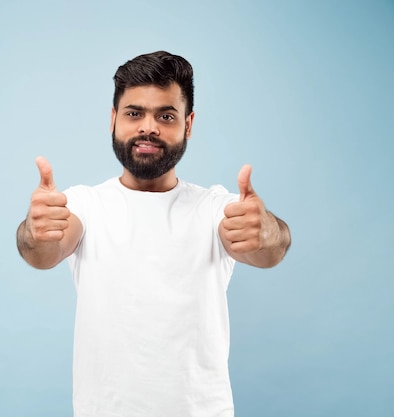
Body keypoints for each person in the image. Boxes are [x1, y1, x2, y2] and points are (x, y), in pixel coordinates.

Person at [16, 51, 291, 417]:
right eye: (134, 113)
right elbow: (42, 253)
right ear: (113, 119)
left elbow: (268, 251)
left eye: (166, 115)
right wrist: (36, 231)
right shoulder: (84, 205)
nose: (149, 127)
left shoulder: (214, 207)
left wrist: (268, 231)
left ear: (188, 125)